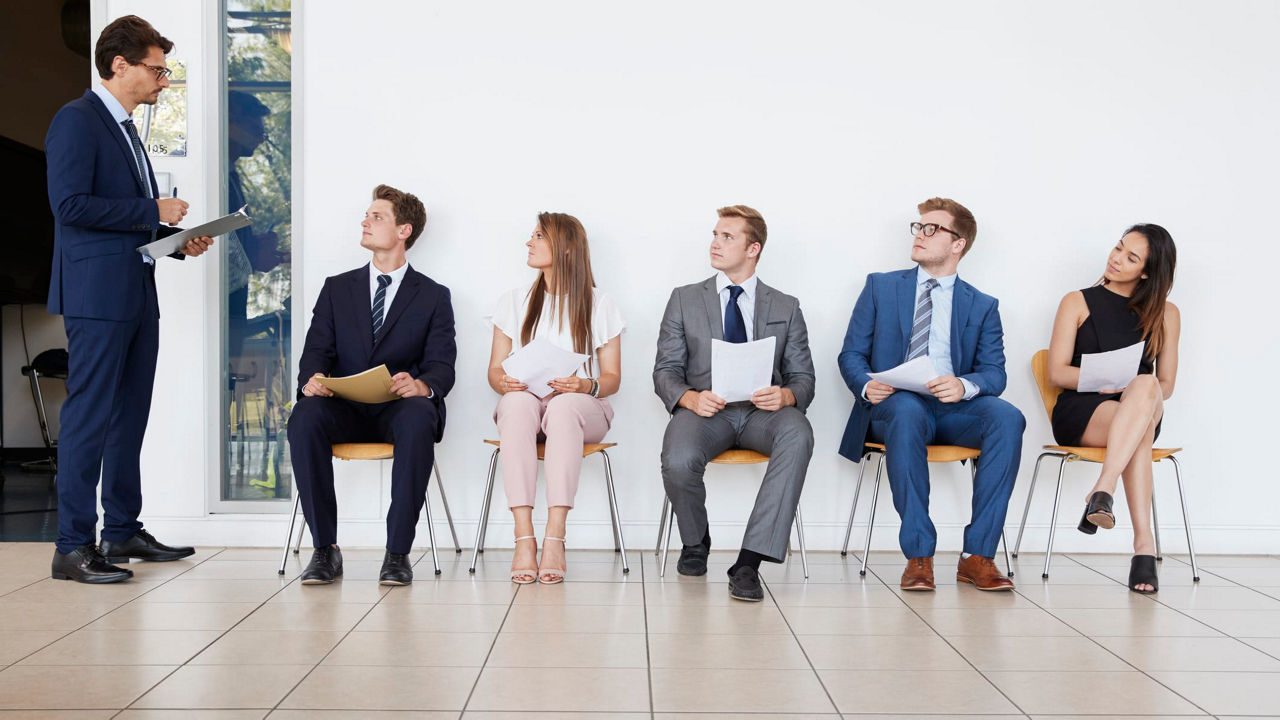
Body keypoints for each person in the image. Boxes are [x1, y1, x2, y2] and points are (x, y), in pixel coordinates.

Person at [45, 15, 213, 584]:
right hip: (96, 297)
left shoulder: (125, 129)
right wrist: (152, 210)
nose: (164, 80)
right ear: (121, 65)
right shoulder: (77, 120)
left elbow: (119, 220)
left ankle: (120, 529)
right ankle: (72, 546)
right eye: (158, 70)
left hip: (136, 290)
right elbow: (70, 206)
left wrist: (174, 240)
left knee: (129, 416)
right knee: (89, 418)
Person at [837, 197, 1023, 592]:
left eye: (932, 229)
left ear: (958, 244)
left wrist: (963, 385)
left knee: (1008, 417)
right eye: (919, 227)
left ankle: (978, 556)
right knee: (906, 411)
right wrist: (867, 385)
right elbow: (851, 353)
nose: (920, 234)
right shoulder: (881, 287)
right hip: (895, 405)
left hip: (953, 410)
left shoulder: (982, 305)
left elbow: (995, 373)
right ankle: (919, 555)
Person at [287, 185, 456, 586]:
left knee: (419, 417)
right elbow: (316, 352)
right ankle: (325, 549)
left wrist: (421, 385)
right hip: (342, 408)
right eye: (367, 215)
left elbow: (442, 365)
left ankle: (397, 553)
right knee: (304, 417)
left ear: (403, 231)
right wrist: (312, 380)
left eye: (377, 217)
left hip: (398, 409)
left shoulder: (433, 296)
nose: (365, 221)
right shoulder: (336, 288)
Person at [655, 205, 816, 602]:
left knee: (798, 433)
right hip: (706, 412)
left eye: (727, 237)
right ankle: (696, 541)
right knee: (678, 459)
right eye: (715, 234)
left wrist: (787, 395)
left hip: (764, 415)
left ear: (753, 248)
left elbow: (804, 379)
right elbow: (665, 371)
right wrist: (690, 398)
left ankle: (749, 562)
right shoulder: (684, 299)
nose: (715, 243)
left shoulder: (786, 306)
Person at [487, 213, 624, 584]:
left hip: (582, 408)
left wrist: (583, 385)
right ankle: (523, 538)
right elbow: (494, 371)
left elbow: (612, 378)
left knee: (563, 407)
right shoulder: (514, 301)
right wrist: (505, 382)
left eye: (538, 236)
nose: (528, 243)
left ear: (565, 248)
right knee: (516, 404)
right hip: (528, 405)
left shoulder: (600, 303)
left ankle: (555, 537)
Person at [1046, 224, 1179, 594]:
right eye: (1119, 248)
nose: (1116, 259)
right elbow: (1057, 372)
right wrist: (1104, 381)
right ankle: (1143, 548)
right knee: (1138, 432)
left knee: (1146, 385)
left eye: (1131, 258)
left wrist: (1133, 388)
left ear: (1147, 273)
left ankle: (1103, 489)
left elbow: (1166, 384)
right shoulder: (1076, 301)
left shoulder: (1167, 314)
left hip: (1141, 405)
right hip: (1085, 409)